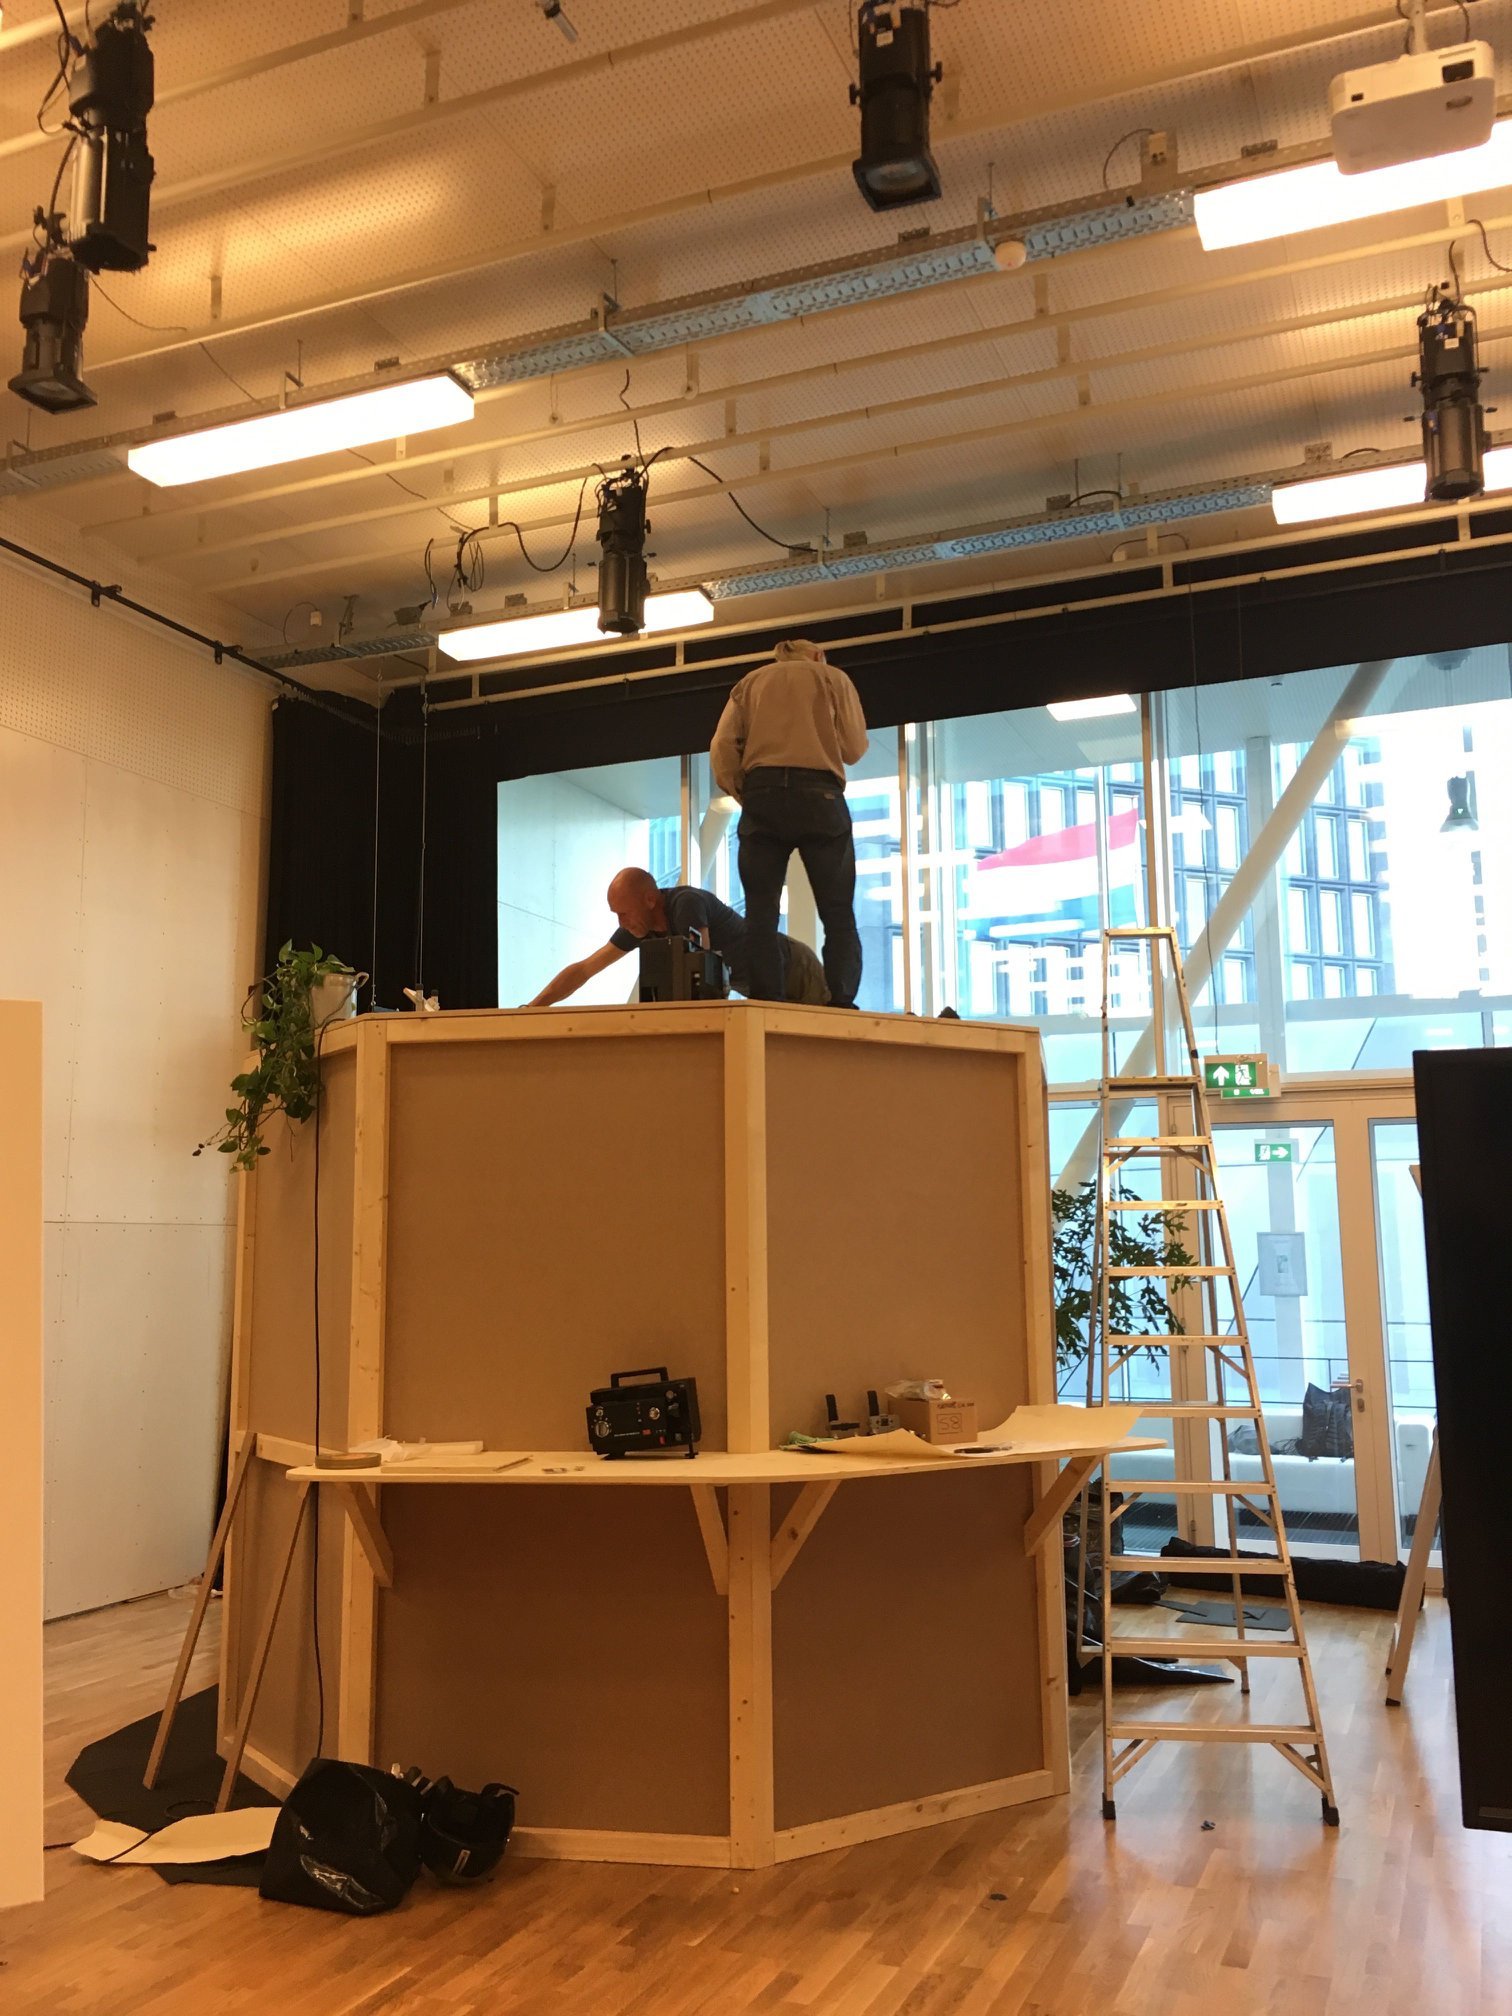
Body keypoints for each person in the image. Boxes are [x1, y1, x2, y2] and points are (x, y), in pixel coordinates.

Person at [710, 639, 868, 1007]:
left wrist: (744, 792)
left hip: (763, 794)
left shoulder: (750, 682)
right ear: (818, 656)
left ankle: (768, 999)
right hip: (821, 796)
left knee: (761, 915)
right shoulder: (832, 678)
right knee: (837, 912)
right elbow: (854, 749)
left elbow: (721, 746)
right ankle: (841, 1001)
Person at [526, 866, 829, 1006]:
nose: (621, 922)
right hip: (761, 985)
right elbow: (585, 969)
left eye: (624, 913)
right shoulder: (640, 926)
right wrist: (533, 1007)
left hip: (793, 968)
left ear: (649, 900)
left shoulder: (686, 904)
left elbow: (704, 969)